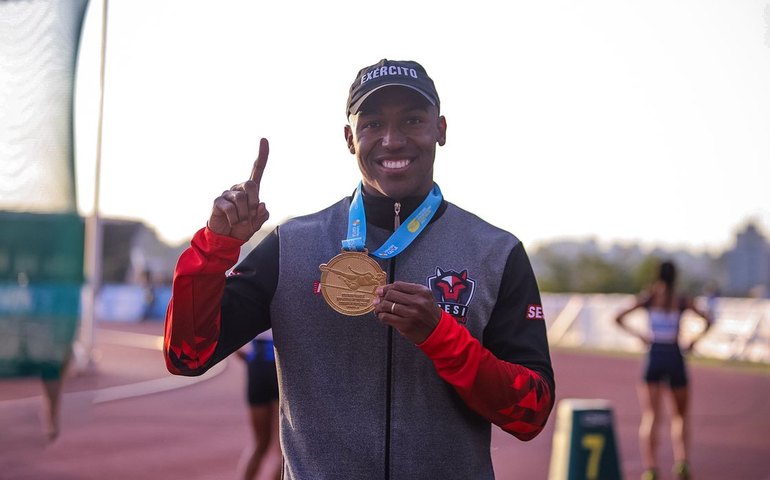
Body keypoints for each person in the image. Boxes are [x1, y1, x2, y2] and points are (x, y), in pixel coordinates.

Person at [164, 58, 555, 479]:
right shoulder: (292, 245)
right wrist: (215, 248)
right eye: (371, 124)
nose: (392, 140)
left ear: (440, 129)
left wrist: (443, 338)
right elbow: (187, 355)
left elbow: (529, 415)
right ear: (350, 138)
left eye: (411, 119)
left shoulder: (496, 252)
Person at [615, 260, 712, 480]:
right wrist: (694, 340)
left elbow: (618, 317)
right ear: (675, 277)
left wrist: (639, 335)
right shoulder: (682, 300)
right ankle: (682, 463)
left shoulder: (649, 298)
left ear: (657, 275)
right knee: (680, 416)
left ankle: (650, 468)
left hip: (655, 355)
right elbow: (708, 319)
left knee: (651, 416)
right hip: (674, 355)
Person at [234, 330, 281, 480]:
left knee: (260, 443)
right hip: (280, 366)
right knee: (285, 449)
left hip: (257, 365)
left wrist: (248, 357)